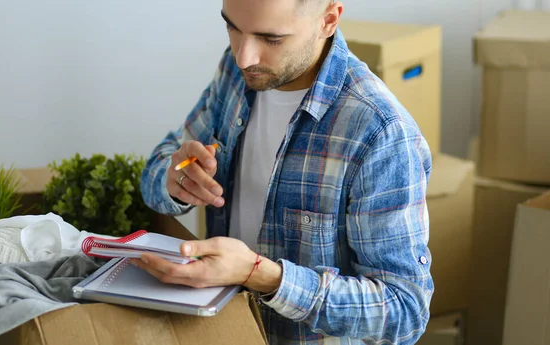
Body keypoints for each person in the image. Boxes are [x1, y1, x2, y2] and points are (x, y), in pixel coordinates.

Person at [134, 0, 434, 344]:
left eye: (271, 39)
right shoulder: (237, 75)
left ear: (329, 20)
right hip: (225, 331)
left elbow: (405, 311)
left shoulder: (380, 132)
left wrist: (261, 275)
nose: (244, 56)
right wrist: (175, 182)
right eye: (232, 27)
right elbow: (159, 167)